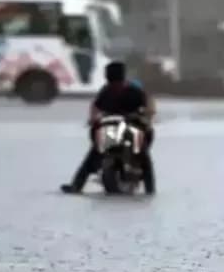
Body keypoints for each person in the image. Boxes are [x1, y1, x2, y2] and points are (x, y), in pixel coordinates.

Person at [60, 61, 156, 195]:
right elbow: (149, 106)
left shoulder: (118, 90)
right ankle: (150, 188)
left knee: (94, 156)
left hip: (125, 129)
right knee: (142, 156)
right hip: (116, 130)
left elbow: (95, 108)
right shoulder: (117, 90)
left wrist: (145, 118)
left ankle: (77, 185)